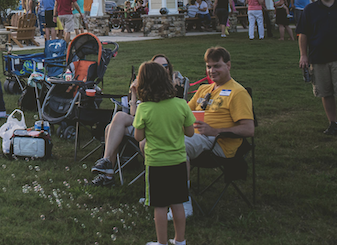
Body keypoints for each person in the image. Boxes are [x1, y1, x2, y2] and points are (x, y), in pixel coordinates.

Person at [183, 46, 254, 218]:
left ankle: (182, 204)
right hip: (195, 136)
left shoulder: (238, 92)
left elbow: (248, 129)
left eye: (217, 66)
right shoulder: (204, 89)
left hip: (218, 143)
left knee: (175, 147)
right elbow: (182, 112)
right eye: (208, 66)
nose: (211, 71)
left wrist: (216, 131)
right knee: (154, 141)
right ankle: (158, 193)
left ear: (228, 65)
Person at [92, 55, 180, 186]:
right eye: (157, 66)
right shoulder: (147, 86)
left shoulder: (173, 86)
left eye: (164, 66)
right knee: (115, 121)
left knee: (113, 126)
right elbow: (135, 114)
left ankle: (107, 169)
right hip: (142, 124)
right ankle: (107, 169)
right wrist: (134, 92)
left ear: (169, 69)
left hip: (158, 127)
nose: (161, 69)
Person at [133, 61, 195, 245]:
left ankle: (161, 242)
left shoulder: (144, 108)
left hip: (156, 163)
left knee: (159, 205)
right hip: (178, 161)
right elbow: (190, 132)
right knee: (177, 203)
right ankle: (180, 240)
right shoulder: (181, 104)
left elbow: (138, 136)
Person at [298, 0, 337, 135]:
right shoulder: (310, 9)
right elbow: (303, 34)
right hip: (318, 58)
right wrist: (303, 55)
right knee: (325, 92)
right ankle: (333, 123)